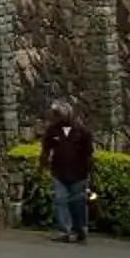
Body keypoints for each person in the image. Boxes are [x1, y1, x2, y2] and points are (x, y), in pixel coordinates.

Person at [39, 100, 97, 244]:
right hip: (59, 172)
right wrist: (42, 166)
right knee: (60, 200)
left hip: (79, 173)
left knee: (78, 203)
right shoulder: (52, 131)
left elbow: (89, 154)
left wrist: (90, 173)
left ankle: (80, 229)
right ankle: (64, 231)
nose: (56, 117)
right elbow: (46, 149)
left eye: (58, 114)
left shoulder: (82, 132)